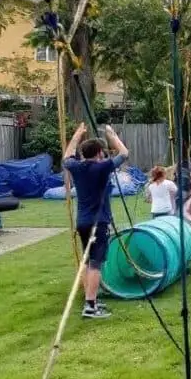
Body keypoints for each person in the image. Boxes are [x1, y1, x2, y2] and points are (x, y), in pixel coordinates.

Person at [63, 122, 129, 320]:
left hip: (82, 222)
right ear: (100, 153)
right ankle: (90, 306)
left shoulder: (77, 167)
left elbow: (67, 156)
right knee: (95, 263)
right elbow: (124, 153)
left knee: (86, 260)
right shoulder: (101, 168)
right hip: (97, 222)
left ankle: (90, 299)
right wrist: (112, 135)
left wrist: (77, 135)